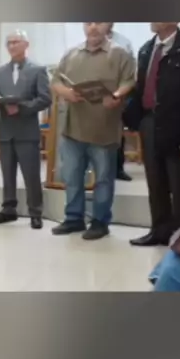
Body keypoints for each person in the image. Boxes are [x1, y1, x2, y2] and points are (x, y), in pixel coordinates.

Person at [126, 23, 180, 247]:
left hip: (178, 127)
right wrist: (132, 118)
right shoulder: (146, 49)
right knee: (155, 182)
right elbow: (140, 88)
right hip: (149, 123)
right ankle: (159, 231)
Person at [51, 22, 136, 240]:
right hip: (73, 128)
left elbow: (129, 81)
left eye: (98, 22)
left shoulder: (120, 54)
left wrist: (116, 96)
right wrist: (65, 93)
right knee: (72, 177)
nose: (93, 27)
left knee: (104, 180)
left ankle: (100, 221)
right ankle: (73, 218)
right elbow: (56, 80)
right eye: (89, 23)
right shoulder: (71, 53)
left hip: (104, 128)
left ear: (108, 25)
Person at [0, 30, 51, 229]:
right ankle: (8, 210)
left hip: (27, 130)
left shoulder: (38, 69)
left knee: (31, 175)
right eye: (9, 43)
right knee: (7, 175)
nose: (12, 46)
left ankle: (35, 212)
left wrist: (22, 108)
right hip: (6, 130)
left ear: (26, 44)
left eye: (16, 42)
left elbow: (45, 99)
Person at [107, 23, 135, 182]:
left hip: (119, 93)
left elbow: (131, 69)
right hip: (96, 95)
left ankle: (118, 168)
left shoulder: (123, 42)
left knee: (118, 133)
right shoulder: (88, 42)